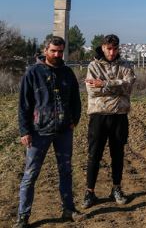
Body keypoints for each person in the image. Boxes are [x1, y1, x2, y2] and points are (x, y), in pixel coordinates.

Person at [15, 36, 82, 228]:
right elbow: (23, 105)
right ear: (46, 51)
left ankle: (68, 209)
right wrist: (24, 131)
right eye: (53, 51)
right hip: (38, 132)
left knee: (66, 171)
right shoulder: (33, 73)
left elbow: (76, 100)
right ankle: (23, 216)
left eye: (60, 51)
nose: (57, 54)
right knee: (30, 174)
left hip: (63, 131)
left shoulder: (67, 72)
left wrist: (74, 120)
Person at [83, 34, 135, 208]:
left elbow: (128, 87)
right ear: (103, 47)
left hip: (119, 116)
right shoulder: (93, 66)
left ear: (118, 48)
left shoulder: (126, 65)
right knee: (94, 155)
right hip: (99, 116)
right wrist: (117, 86)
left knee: (118, 154)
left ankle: (116, 188)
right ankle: (89, 192)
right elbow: (92, 91)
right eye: (108, 48)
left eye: (114, 48)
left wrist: (104, 84)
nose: (112, 52)